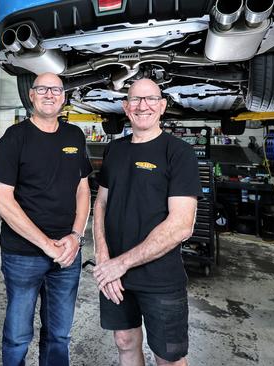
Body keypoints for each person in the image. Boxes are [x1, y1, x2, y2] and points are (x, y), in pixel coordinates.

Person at [92, 78, 201, 366]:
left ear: (162, 106)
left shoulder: (179, 153)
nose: (143, 106)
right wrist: (103, 257)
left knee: (169, 357)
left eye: (151, 99)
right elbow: (101, 203)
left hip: (160, 278)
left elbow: (182, 225)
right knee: (125, 342)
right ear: (126, 108)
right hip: (114, 275)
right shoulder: (114, 150)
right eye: (136, 100)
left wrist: (120, 263)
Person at [0, 72, 92, 366]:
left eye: (56, 89)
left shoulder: (74, 136)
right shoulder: (15, 137)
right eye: (43, 89)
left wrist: (75, 237)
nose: (50, 94)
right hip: (23, 255)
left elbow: (83, 189)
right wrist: (47, 245)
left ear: (64, 97)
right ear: (32, 95)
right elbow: (1, 200)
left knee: (59, 335)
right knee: (18, 336)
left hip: (68, 255)